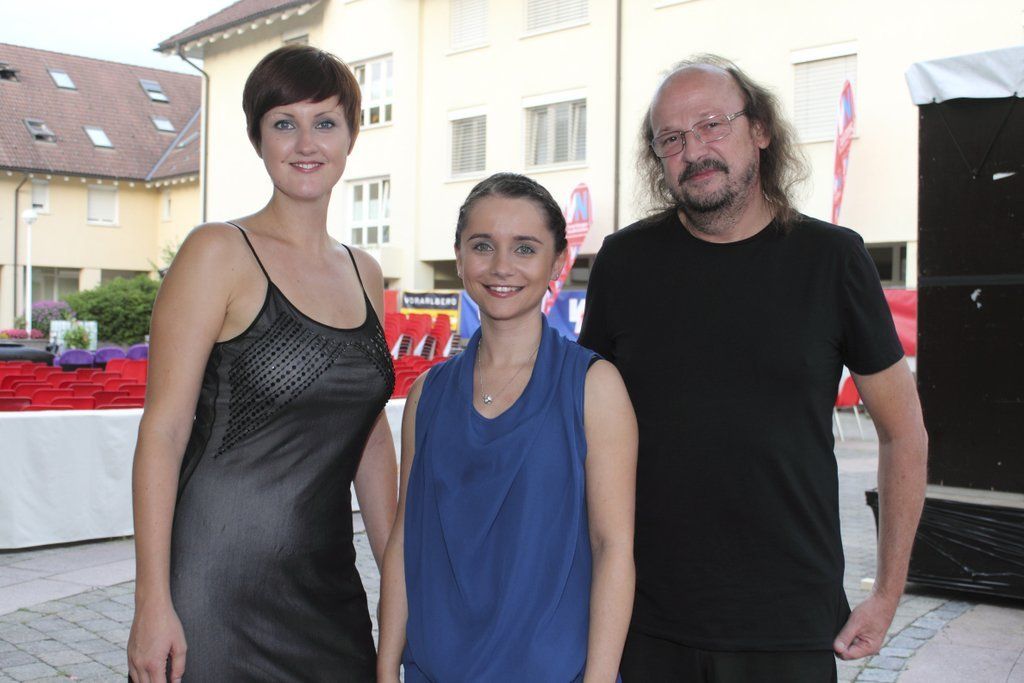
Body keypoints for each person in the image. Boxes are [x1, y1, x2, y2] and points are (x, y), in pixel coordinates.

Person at [579, 55, 928, 682]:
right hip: (646, 620)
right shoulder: (623, 264)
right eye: (671, 139)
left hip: (789, 625)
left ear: (760, 129)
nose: (694, 151)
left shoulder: (833, 260)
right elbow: (585, 435)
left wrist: (886, 594)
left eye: (712, 125)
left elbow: (904, 432)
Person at [126, 45, 397, 682]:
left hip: (326, 585)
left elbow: (369, 437)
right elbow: (164, 431)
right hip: (216, 586)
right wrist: (151, 601)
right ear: (257, 138)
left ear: (352, 137)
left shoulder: (365, 272)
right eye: (283, 123)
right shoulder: (217, 252)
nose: (306, 143)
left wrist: (399, 579)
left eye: (325, 122)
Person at [376, 173, 638, 683]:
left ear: (557, 262)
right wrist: (386, 666)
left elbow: (613, 548)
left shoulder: (594, 386)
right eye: (482, 246)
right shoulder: (427, 394)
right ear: (458, 257)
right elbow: (407, 540)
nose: (501, 266)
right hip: (435, 671)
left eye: (524, 248)